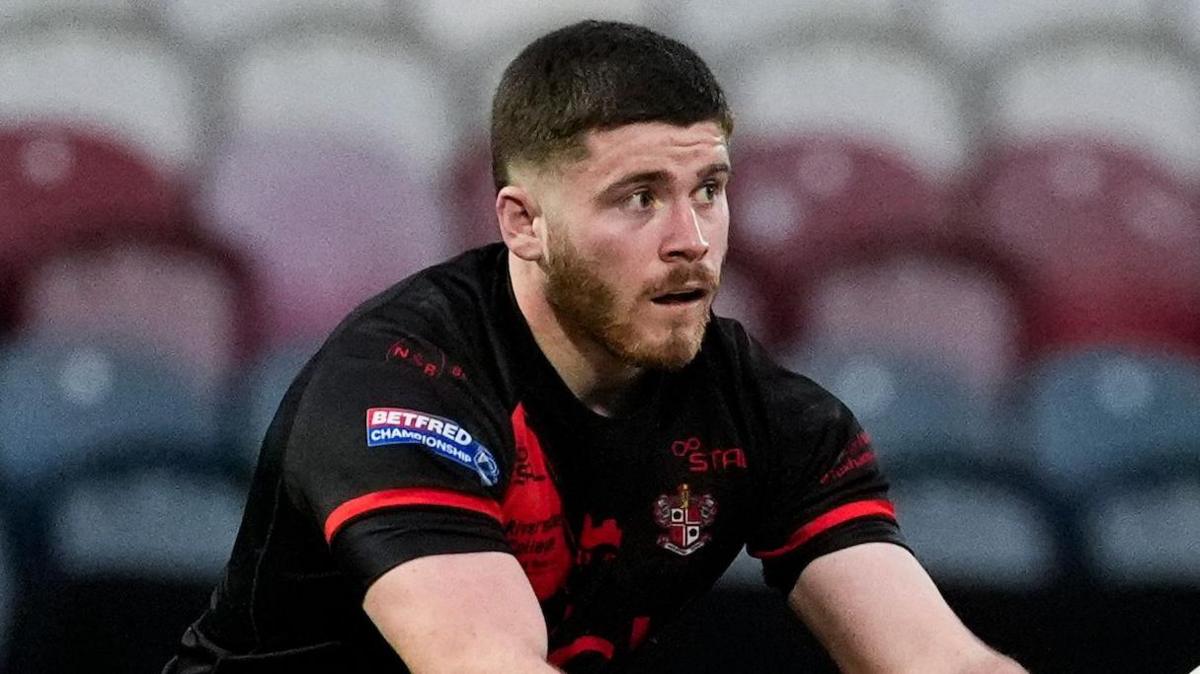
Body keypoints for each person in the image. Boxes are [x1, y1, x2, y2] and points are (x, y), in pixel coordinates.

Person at [165, 20, 1026, 674]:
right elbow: (486, 663)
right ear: (524, 222)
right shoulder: (401, 384)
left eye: (710, 189)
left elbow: (938, 660)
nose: (692, 238)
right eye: (639, 198)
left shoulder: (767, 416)